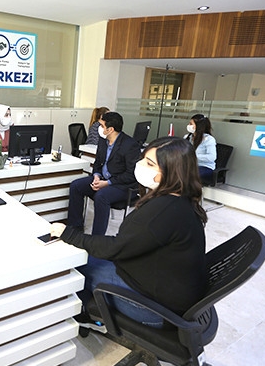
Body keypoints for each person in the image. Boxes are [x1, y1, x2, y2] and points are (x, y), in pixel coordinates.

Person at [51, 136, 208, 327]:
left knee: (75, 265)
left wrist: (68, 234)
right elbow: (130, 243)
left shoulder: (162, 210)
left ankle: (87, 316)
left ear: (170, 172)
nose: (140, 165)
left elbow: (115, 247)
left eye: (149, 164)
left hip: (157, 310)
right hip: (166, 292)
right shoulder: (183, 199)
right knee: (90, 256)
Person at [67, 112, 140, 236]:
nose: (98, 128)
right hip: (103, 179)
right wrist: (96, 176)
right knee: (76, 186)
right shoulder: (103, 140)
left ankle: (96, 238)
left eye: (101, 125)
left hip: (121, 185)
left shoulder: (130, 145)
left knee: (101, 196)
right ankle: (75, 227)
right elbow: (97, 163)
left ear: (110, 129)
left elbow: (131, 175)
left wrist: (107, 183)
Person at [184, 113, 217, 182]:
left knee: (188, 175)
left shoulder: (208, 139)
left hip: (205, 167)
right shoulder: (188, 137)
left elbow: (212, 157)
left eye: (191, 124)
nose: (189, 126)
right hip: (190, 165)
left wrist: (193, 156)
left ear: (198, 126)